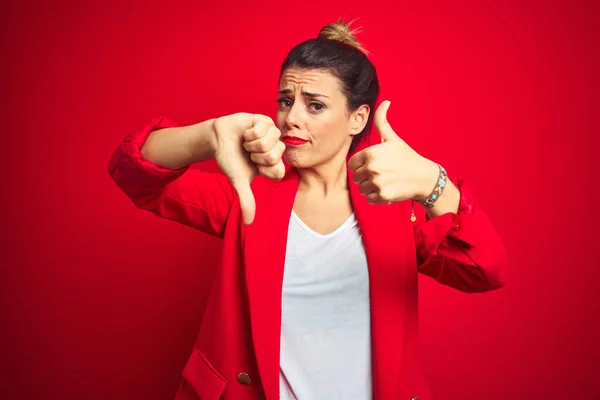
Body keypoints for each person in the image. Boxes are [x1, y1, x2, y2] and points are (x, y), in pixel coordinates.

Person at [107, 20, 507, 400]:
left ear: (358, 118)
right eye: (286, 99)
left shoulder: (399, 207)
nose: (290, 118)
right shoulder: (246, 195)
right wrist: (206, 136)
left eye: (314, 105)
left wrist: (434, 184)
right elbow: (134, 173)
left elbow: (483, 270)